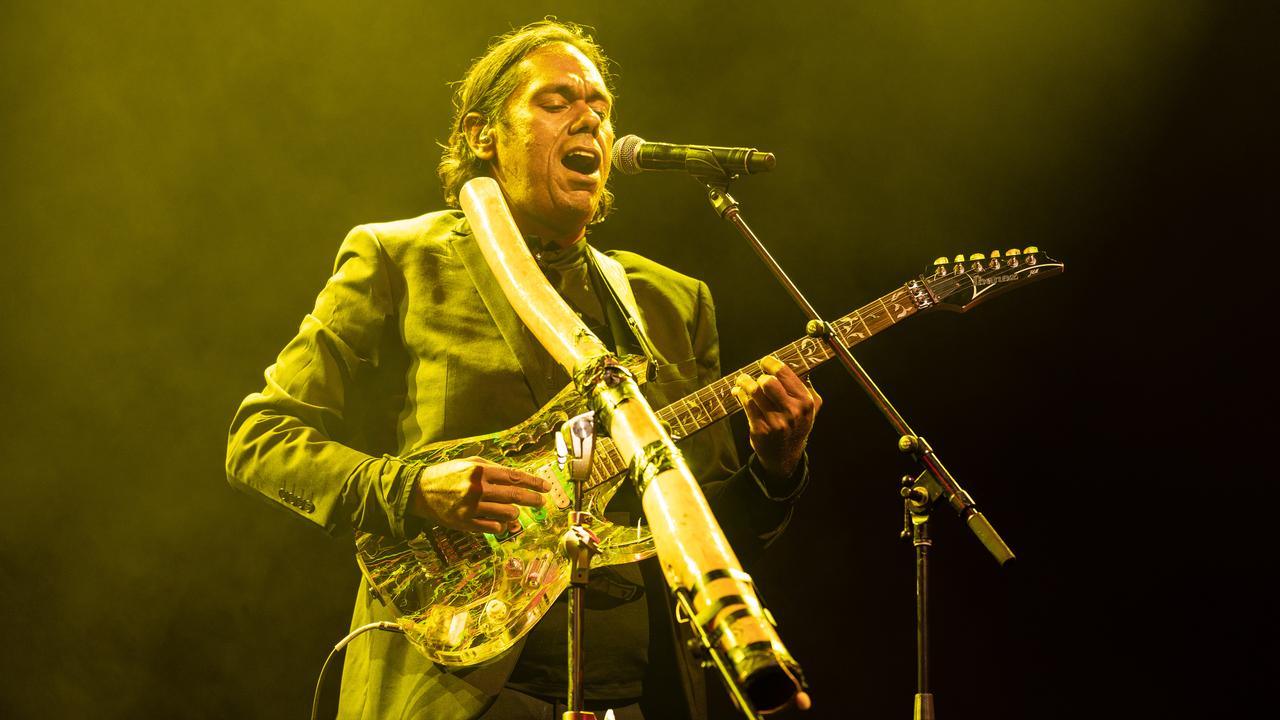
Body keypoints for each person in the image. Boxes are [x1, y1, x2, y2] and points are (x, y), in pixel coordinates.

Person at [226, 20, 820, 720]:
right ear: (484, 135)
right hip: (458, 693)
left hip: (637, 696)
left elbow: (709, 531)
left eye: (601, 106)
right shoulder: (398, 258)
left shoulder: (671, 301)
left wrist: (775, 468)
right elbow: (260, 439)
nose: (591, 119)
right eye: (557, 100)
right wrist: (411, 486)